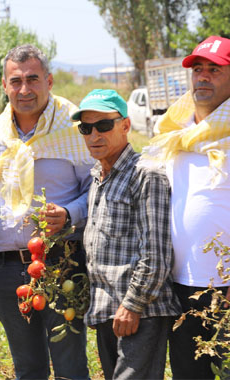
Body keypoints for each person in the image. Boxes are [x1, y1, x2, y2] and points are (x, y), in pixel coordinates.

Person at [0, 44, 94, 379]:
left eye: (32, 79)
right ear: (4, 85)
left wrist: (69, 213)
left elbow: (95, 190)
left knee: (70, 367)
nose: (24, 89)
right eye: (15, 81)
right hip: (10, 269)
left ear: (49, 81)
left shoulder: (74, 129)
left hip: (62, 263)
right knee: (28, 369)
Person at [140, 35, 230, 380]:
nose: (203, 76)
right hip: (179, 286)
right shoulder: (175, 133)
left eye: (215, 69)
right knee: (188, 374)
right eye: (198, 69)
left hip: (224, 287)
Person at [75, 89, 180, 379]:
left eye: (103, 125)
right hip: (106, 308)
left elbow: (156, 253)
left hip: (139, 311)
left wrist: (132, 306)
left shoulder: (146, 174)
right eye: (86, 128)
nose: (94, 134)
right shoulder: (98, 177)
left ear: (125, 125)